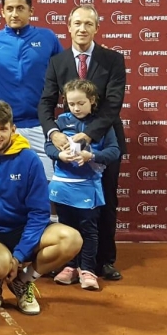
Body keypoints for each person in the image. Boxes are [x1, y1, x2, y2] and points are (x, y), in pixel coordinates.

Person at [0, 100, 82, 315]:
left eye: (3, 129)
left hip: (23, 230)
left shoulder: (30, 160)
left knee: (72, 239)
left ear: (13, 129)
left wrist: (20, 255)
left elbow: (39, 212)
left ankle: (23, 281)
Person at [39, 5, 126, 282]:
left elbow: (113, 105)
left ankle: (103, 261)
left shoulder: (112, 59)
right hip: (67, 144)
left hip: (103, 140)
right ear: (69, 26)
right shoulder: (58, 61)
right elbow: (45, 103)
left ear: (97, 28)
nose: (82, 29)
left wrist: (89, 136)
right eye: (77, 23)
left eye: (88, 24)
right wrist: (54, 133)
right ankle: (69, 262)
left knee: (105, 202)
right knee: (71, 207)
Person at [0, 0, 63, 179]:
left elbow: (67, 73)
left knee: (46, 188)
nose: (14, 13)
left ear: (31, 10)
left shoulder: (47, 37)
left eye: (20, 8)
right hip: (4, 127)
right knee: (5, 187)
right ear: (2, 12)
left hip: (40, 125)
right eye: (9, 9)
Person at [45, 80, 121, 291]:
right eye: (71, 104)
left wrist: (91, 156)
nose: (76, 108)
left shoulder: (102, 124)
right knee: (67, 229)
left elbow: (114, 151)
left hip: (88, 187)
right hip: (62, 187)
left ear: (92, 101)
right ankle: (69, 267)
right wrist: (60, 154)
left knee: (89, 230)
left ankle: (87, 270)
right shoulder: (60, 122)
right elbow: (48, 147)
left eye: (81, 103)